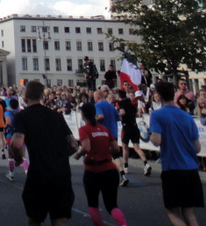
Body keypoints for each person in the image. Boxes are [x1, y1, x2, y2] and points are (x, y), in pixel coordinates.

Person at [11, 81, 78, 226]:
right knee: (60, 218)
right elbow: (74, 144)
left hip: (39, 174)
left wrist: (18, 159)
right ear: (42, 96)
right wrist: (58, 155)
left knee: (35, 218)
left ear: (26, 95)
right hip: (61, 173)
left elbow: (16, 143)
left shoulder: (23, 116)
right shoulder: (56, 116)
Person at [149, 80, 203, 226]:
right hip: (191, 168)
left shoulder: (157, 115)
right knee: (189, 212)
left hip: (172, 168)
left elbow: (156, 141)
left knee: (172, 212)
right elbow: (197, 147)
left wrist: (151, 133)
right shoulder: (187, 116)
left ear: (158, 95)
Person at [74, 102, 128, 226]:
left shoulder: (84, 129)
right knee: (112, 205)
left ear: (83, 115)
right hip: (109, 170)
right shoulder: (104, 129)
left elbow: (86, 147)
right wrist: (104, 150)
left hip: (93, 171)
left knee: (93, 205)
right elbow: (116, 149)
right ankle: (123, 224)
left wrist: (78, 154)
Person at [93, 88, 126, 186]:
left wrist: (91, 119)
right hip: (113, 133)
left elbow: (100, 116)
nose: (94, 99)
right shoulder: (111, 106)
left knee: (102, 155)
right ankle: (122, 175)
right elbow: (119, 117)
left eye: (94, 97)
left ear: (98, 97)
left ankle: (105, 177)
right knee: (115, 155)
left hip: (103, 133)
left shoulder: (97, 105)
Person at [117, 88, 152, 177]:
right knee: (137, 147)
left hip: (126, 127)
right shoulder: (131, 103)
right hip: (134, 126)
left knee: (125, 147)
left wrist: (118, 117)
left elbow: (122, 112)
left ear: (119, 96)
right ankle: (146, 164)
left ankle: (126, 167)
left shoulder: (120, 103)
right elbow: (137, 113)